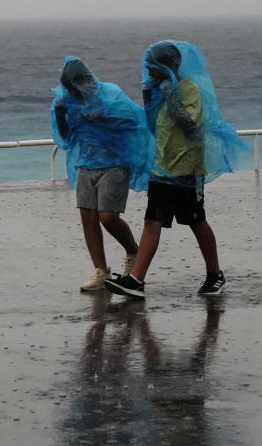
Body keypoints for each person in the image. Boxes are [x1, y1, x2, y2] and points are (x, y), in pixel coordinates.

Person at [105, 41, 251, 300]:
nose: (150, 73)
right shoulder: (156, 91)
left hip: (187, 169)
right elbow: (151, 126)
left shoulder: (189, 89)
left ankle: (215, 274)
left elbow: (189, 124)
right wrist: (149, 97)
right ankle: (136, 280)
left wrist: (171, 94)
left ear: (168, 67)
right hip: (162, 167)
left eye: (154, 68)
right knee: (152, 221)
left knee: (195, 220)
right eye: (149, 68)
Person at [49, 56, 153, 291]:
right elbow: (66, 137)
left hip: (114, 163)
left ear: (88, 77)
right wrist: (59, 115)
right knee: (87, 217)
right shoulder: (67, 100)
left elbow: (133, 123)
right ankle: (100, 270)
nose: (81, 87)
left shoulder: (111, 94)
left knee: (108, 217)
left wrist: (101, 117)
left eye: (82, 80)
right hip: (86, 163)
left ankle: (133, 252)